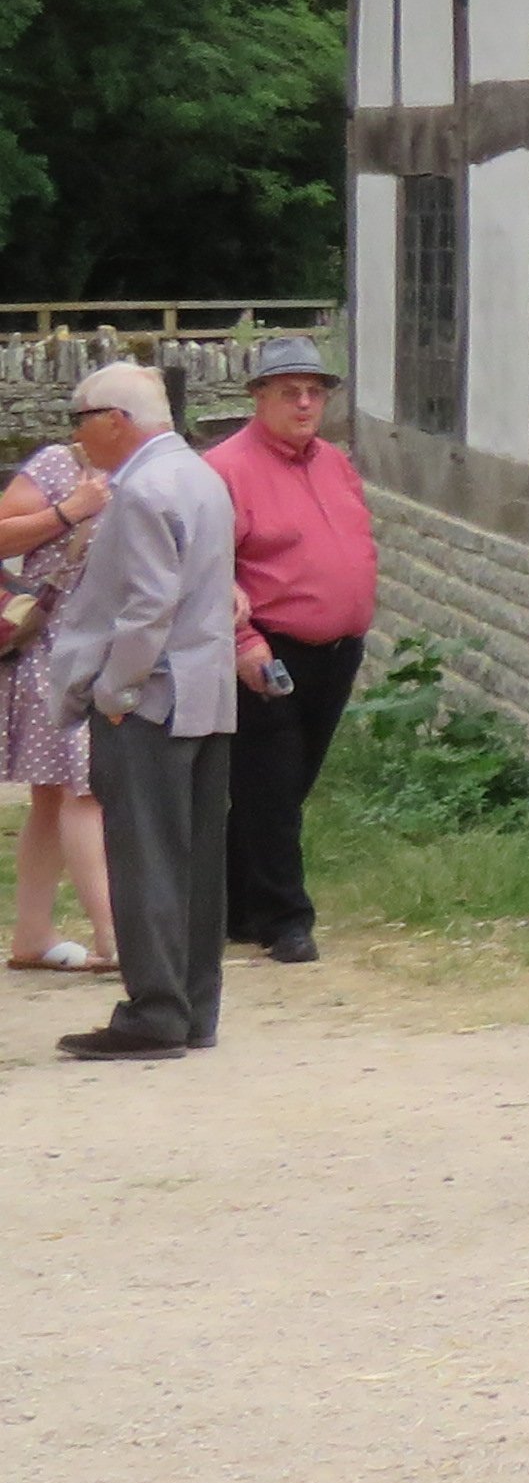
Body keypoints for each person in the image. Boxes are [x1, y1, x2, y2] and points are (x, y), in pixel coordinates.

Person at [43, 365, 244, 1063]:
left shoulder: (142, 489)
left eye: (80, 418)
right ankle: (194, 1007)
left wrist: (115, 693)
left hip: (154, 699)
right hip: (207, 694)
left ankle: (155, 1011)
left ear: (115, 421)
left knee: (147, 859)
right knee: (195, 864)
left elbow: (145, 607)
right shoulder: (201, 476)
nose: (76, 435)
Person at [200, 328, 379, 964]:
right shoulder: (225, 470)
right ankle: (286, 919)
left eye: (313, 393)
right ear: (259, 397)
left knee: (285, 784)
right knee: (271, 785)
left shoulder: (334, 462)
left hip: (337, 649)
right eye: (288, 392)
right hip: (269, 647)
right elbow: (211, 571)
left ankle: (227, 906)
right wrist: (244, 641)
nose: (304, 404)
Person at [1, 425, 116, 976]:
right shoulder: (58, 465)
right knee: (83, 787)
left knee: (52, 794)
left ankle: (32, 933)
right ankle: (115, 938)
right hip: (53, 647)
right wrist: (70, 510)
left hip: (100, 646)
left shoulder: (144, 470)